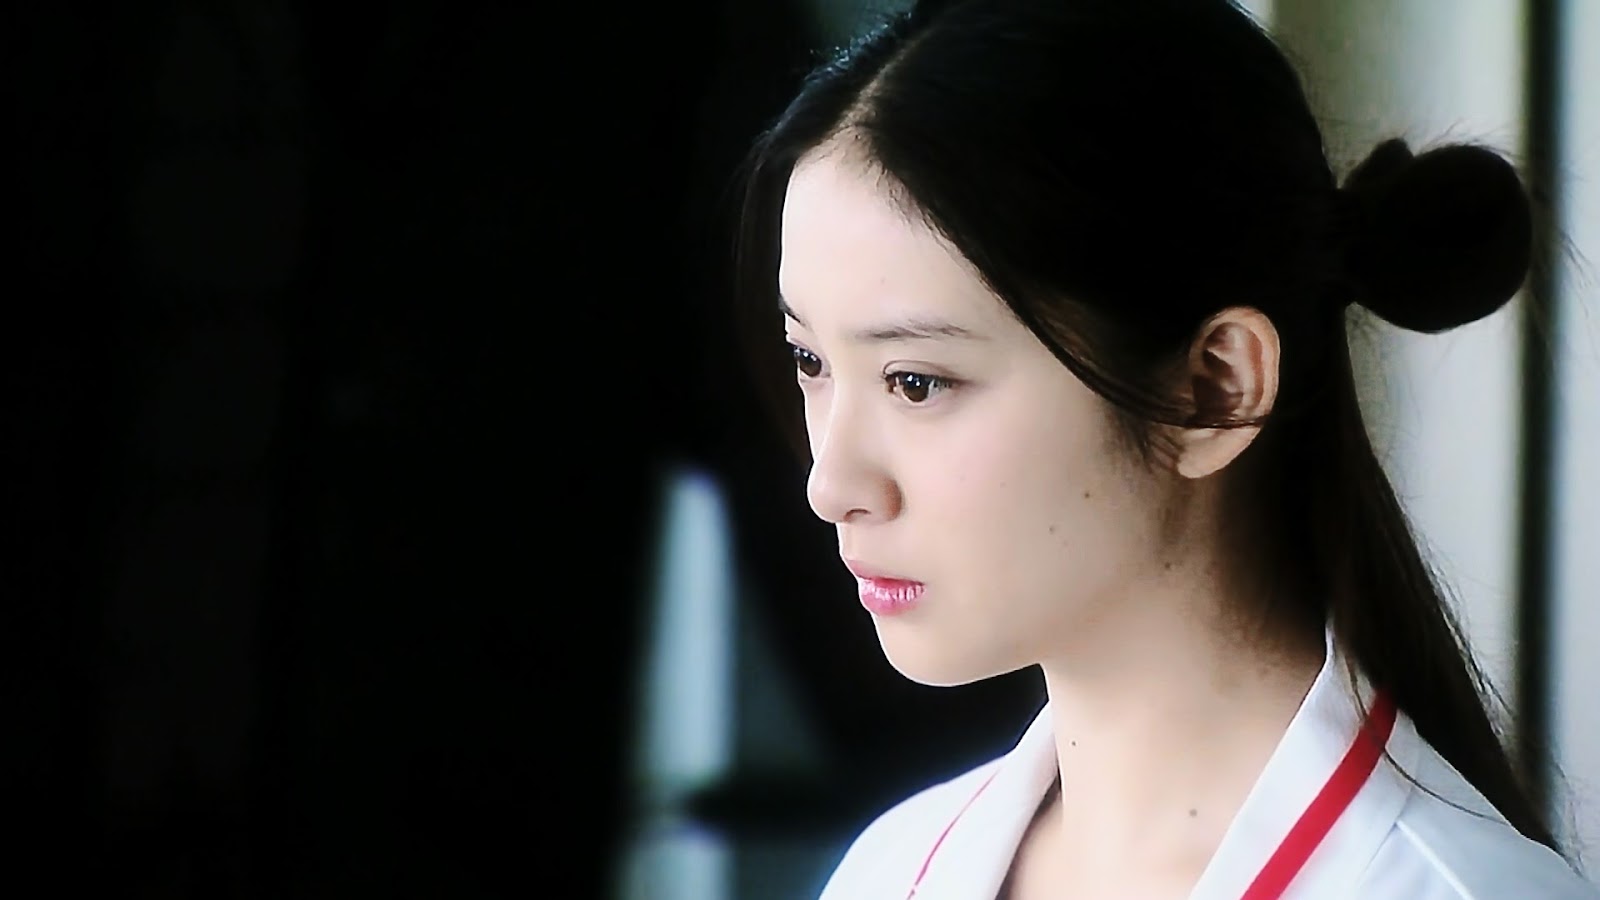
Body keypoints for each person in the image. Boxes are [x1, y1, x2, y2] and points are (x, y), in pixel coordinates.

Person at [731, 0, 1600, 896]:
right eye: (810, 361)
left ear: (1216, 389)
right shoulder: (889, 871)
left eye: (916, 382)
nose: (831, 484)